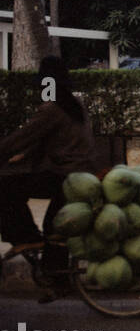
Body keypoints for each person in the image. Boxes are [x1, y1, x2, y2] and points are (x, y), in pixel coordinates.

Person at [0, 57, 98, 285]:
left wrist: (6, 151)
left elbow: (23, 136)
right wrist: (23, 155)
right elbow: (50, 137)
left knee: (5, 187)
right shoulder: (74, 105)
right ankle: (58, 283)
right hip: (81, 175)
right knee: (55, 228)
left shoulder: (52, 108)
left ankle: (25, 237)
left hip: (66, 176)